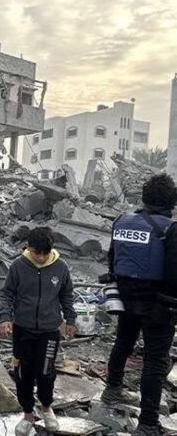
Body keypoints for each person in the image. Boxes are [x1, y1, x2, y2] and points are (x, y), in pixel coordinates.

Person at [101, 173, 177, 436]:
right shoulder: (170, 229)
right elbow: (174, 273)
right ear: (171, 202)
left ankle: (112, 389)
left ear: (144, 198)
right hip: (158, 302)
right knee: (155, 361)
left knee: (123, 343)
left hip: (125, 296)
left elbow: (112, 258)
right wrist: (169, 305)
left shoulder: (121, 221)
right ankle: (147, 424)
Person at [0, 227, 77, 436]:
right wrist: (5, 318)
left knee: (46, 372)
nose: (41, 257)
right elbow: (7, 294)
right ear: (28, 248)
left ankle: (47, 407)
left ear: (52, 249)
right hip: (23, 329)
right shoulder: (18, 266)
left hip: (49, 330)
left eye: (45, 253)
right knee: (23, 373)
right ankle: (27, 414)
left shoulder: (60, 267)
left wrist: (70, 319)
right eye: (36, 253)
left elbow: (67, 294)